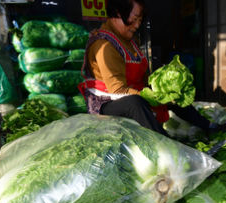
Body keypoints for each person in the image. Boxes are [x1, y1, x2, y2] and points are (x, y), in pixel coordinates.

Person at [79, 0, 213, 136]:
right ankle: (168, 145)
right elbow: (117, 90)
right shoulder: (104, 45)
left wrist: (162, 91)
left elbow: (143, 79)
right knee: (134, 103)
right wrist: (152, 97)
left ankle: (209, 126)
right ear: (118, 14)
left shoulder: (131, 40)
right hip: (107, 103)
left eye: (140, 20)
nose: (137, 25)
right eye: (134, 19)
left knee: (171, 93)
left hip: (132, 93)